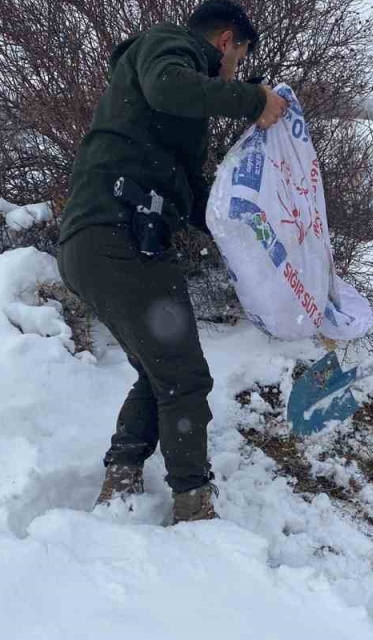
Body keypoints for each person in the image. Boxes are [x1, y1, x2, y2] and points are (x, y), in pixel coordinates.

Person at [56, 0, 287, 523]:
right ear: (227, 40)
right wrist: (254, 99)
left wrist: (251, 232)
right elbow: (170, 86)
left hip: (98, 242)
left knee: (157, 370)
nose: (234, 70)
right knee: (185, 378)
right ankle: (193, 503)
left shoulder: (167, 108)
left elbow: (195, 196)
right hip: (121, 236)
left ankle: (122, 473)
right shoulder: (167, 45)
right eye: (239, 57)